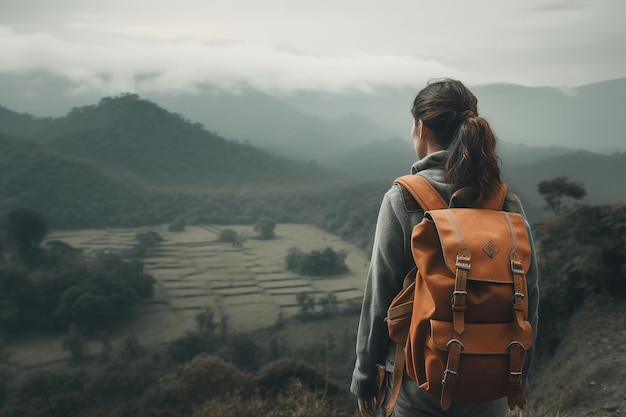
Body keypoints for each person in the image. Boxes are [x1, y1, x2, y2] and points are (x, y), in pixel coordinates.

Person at [350, 78, 539, 417]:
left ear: (421, 128)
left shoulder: (404, 199)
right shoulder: (504, 200)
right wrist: (517, 373)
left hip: (418, 383)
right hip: (491, 383)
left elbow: (380, 295)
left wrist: (365, 378)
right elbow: (530, 295)